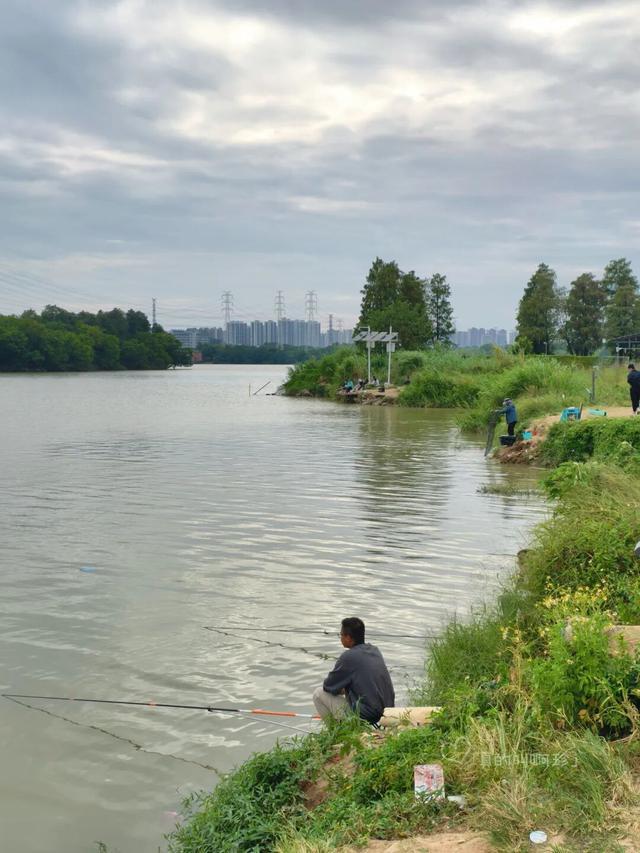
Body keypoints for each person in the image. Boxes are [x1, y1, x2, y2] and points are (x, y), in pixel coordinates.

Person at [312, 617, 395, 724]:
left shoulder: (348, 657)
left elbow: (328, 686)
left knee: (318, 694)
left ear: (348, 638)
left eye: (341, 635)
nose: (340, 637)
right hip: (387, 711)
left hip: (367, 714)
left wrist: (344, 688)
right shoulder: (375, 650)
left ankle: (337, 734)